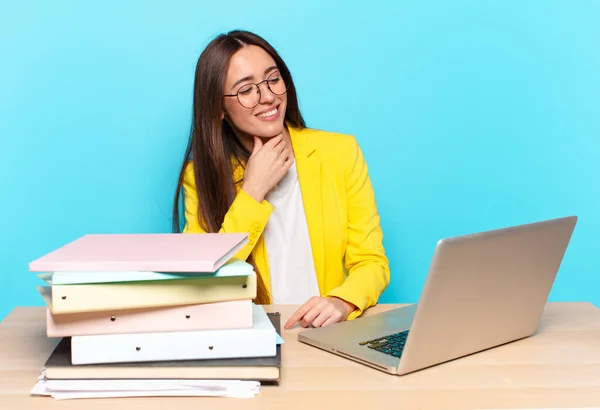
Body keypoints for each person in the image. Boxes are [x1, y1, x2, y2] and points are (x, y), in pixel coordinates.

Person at [172, 30, 390, 329]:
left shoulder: (339, 153)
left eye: (273, 79)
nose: (269, 97)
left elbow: (371, 262)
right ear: (219, 108)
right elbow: (202, 284)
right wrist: (252, 192)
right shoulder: (199, 177)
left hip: (327, 334)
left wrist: (344, 301)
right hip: (250, 335)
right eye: (246, 90)